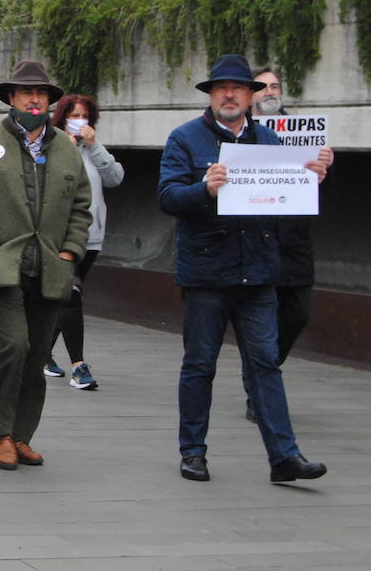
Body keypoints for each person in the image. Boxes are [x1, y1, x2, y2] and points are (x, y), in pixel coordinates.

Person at [158, 54, 329, 484]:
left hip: (258, 273)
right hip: (206, 274)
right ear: (211, 95)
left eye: (237, 88)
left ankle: (284, 457)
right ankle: (193, 452)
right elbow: (167, 196)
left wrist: (312, 178)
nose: (229, 94)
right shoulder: (185, 139)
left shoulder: (270, 143)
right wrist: (204, 188)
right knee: (200, 365)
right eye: (221, 88)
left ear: (251, 97)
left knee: (266, 364)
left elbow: (288, 204)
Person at [0, 59, 92, 471]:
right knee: (14, 345)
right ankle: (1, 433)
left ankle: (22, 435)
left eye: (41, 93)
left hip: (51, 266)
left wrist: (70, 251)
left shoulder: (64, 145)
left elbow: (82, 204)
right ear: (11, 98)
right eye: (26, 92)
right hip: (2, 264)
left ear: (49, 101)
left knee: (39, 352)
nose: (34, 99)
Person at [244, 67, 334, 423]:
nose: (269, 92)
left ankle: (260, 370)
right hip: (253, 240)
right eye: (262, 87)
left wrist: (323, 169)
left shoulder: (301, 133)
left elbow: (312, 188)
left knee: (298, 312)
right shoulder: (239, 131)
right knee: (262, 319)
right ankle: (260, 389)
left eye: (275, 86)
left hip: (293, 242)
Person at [41, 95, 124, 390]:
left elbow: (115, 177)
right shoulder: (52, 145)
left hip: (92, 235)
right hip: (61, 236)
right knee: (71, 293)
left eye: (85, 115)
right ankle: (79, 366)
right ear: (62, 119)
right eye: (74, 115)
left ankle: (40, 353)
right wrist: (69, 149)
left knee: (66, 298)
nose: (80, 120)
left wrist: (95, 146)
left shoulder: (94, 149)